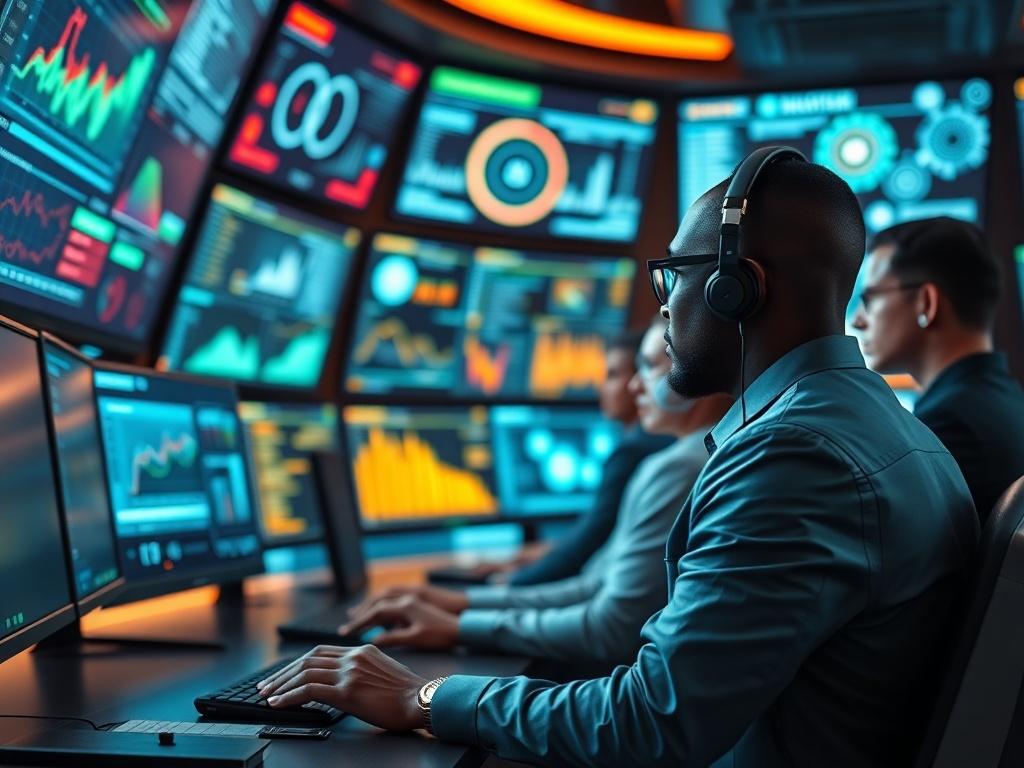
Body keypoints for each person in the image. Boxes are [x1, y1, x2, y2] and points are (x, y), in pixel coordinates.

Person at [256, 151, 978, 767]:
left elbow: (652, 721)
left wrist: (423, 696)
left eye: (674, 276)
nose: (662, 307)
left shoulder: (794, 457)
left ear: (738, 288)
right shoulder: (881, 428)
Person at [336, 317, 732, 668]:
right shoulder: (686, 458)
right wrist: (460, 604)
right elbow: (594, 585)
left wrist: (460, 627)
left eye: (648, 367)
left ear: (698, 369)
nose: (632, 385)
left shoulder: (677, 468)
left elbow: (611, 628)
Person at [852, 216, 1024, 521]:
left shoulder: (949, 428)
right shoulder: (1003, 400)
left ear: (926, 303)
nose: (858, 320)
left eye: (869, 299)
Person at [499, 329, 674, 586]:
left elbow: (587, 543)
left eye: (613, 375)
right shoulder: (659, 443)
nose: (602, 387)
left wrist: (508, 584)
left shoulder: (633, 451)